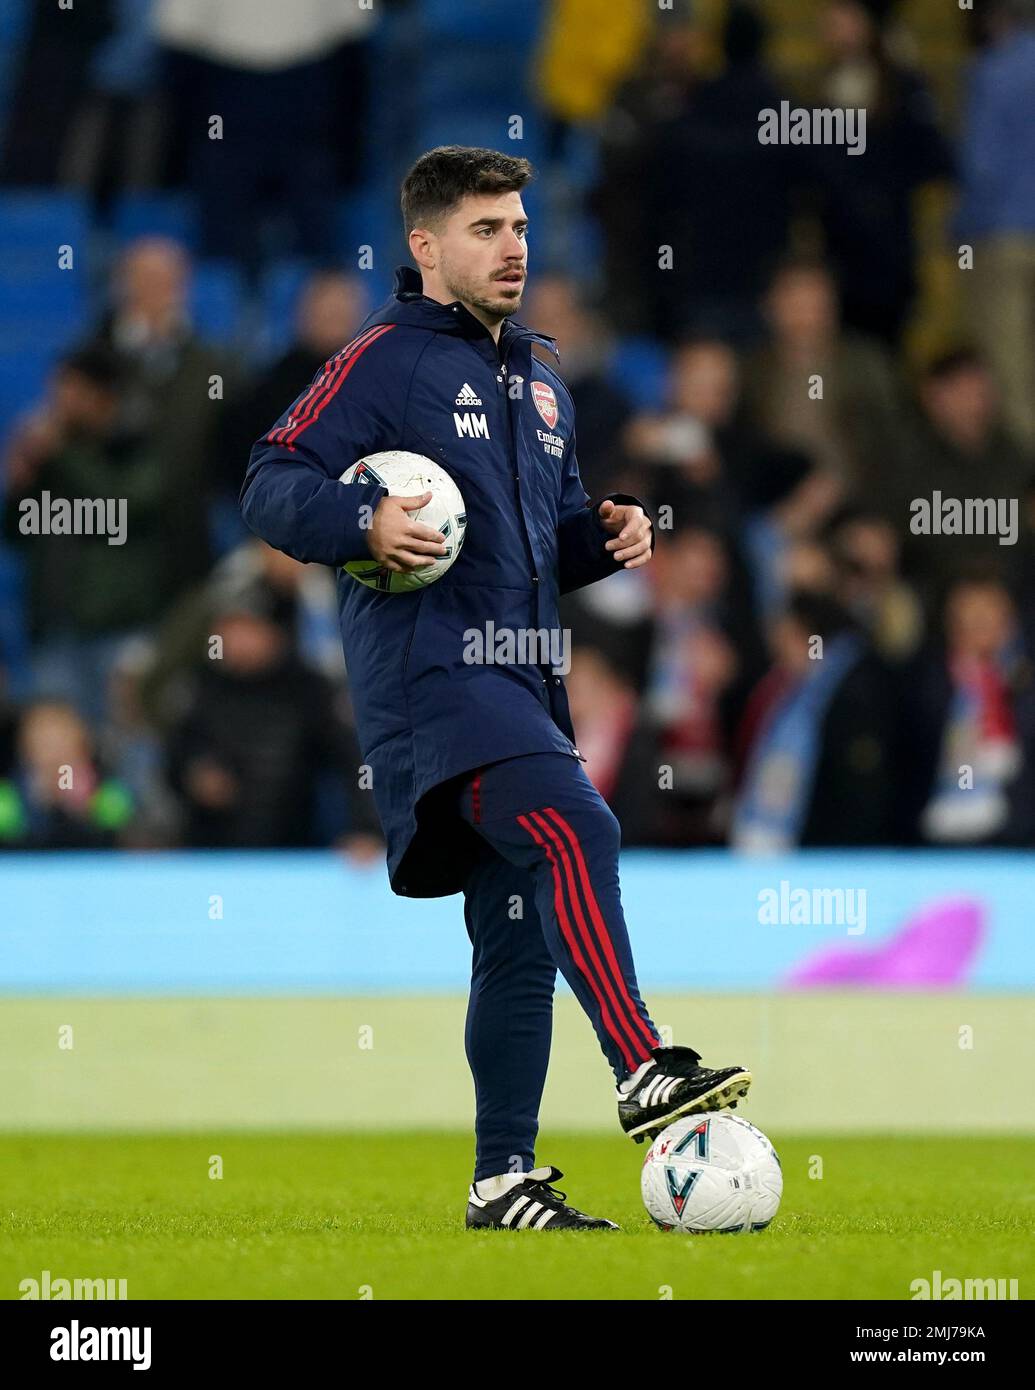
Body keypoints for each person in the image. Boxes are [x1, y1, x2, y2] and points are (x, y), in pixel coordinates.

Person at [241, 145, 752, 1232]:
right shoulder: (382, 361)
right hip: (433, 684)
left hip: (526, 681)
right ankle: (640, 1064)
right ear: (425, 247)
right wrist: (360, 520)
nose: (513, 246)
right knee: (581, 827)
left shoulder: (543, 376)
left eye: (520, 226)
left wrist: (601, 535)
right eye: (486, 229)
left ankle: (502, 1179)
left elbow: (529, 543)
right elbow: (271, 478)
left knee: (516, 937)